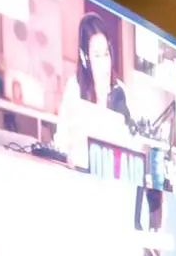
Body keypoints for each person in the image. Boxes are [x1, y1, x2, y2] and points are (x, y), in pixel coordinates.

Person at [52, 12, 131, 163]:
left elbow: (130, 144)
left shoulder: (119, 90)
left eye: (106, 54)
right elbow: (61, 141)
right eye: (97, 55)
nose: (104, 65)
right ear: (84, 57)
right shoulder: (75, 88)